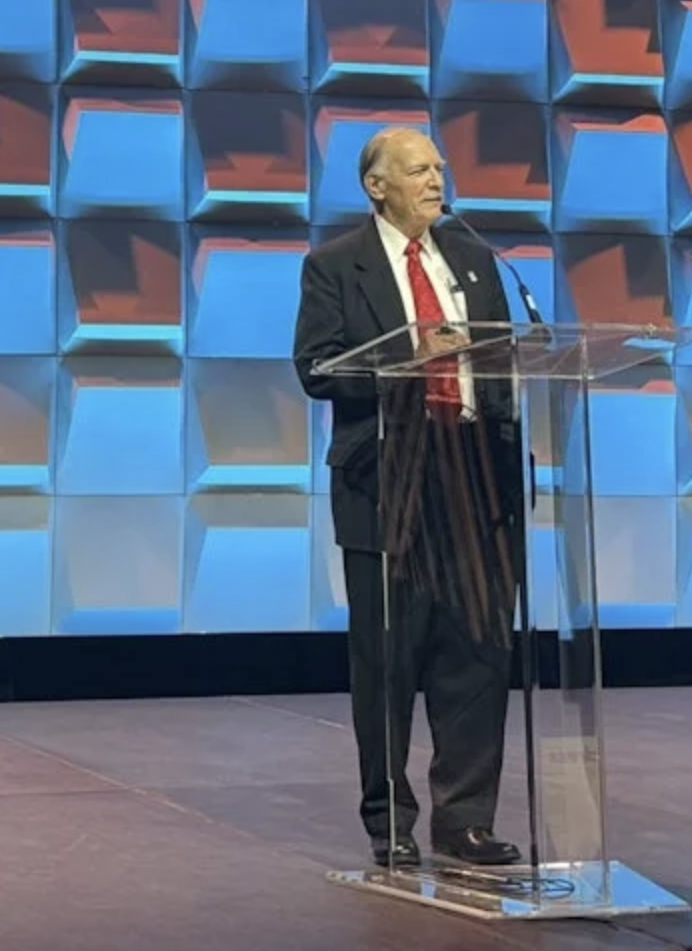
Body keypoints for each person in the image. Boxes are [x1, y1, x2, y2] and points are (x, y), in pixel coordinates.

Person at [292, 125, 524, 872]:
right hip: (389, 477)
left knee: (479, 650)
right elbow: (319, 368)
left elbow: (504, 356)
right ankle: (389, 820)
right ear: (376, 185)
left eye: (439, 167)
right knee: (388, 659)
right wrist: (406, 359)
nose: (436, 179)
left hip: (473, 473)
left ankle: (467, 822)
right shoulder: (335, 267)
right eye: (419, 169)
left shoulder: (476, 259)